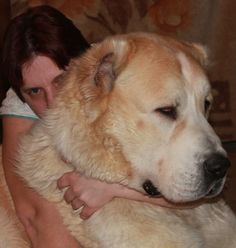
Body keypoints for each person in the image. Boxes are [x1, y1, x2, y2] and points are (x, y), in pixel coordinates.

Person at [0, 5, 185, 248]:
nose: (53, 102)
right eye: (35, 92)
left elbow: (197, 191)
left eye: (61, 80)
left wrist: (109, 188)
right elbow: (34, 216)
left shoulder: (128, 85)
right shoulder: (20, 106)